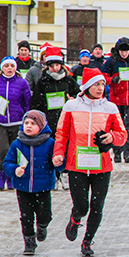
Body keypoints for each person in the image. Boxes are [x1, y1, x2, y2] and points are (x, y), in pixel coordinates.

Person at [53, 67, 128, 257]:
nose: (100, 88)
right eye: (96, 84)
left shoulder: (110, 108)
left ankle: (87, 241)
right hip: (76, 164)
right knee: (82, 205)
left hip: (101, 165)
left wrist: (111, 137)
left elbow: (122, 135)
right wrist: (58, 153)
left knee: (97, 205)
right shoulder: (71, 106)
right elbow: (61, 133)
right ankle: (76, 218)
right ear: (86, 86)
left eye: (102, 84)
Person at [3, 110, 63, 255]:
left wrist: (58, 162)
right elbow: (7, 163)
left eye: (33, 124)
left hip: (43, 187)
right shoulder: (17, 144)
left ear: (41, 126)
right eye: (26, 123)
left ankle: (42, 225)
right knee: (26, 216)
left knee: (45, 214)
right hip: (23, 187)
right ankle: (29, 243)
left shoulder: (49, 143)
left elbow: (59, 164)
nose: (28, 126)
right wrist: (15, 170)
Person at [28, 46, 79, 190]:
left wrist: (72, 99)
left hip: (67, 119)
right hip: (49, 120)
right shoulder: (43, 82)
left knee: (68, 146)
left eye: (57, 65)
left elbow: (79, 95)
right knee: (53, 148)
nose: (55, 68)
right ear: (48, 67)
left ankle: (66, 173)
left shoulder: (68, 80)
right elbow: (36, 103)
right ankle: (55, 176)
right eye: (52, 65)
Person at [101, 37, 129, 163]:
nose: (124, 53)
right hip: (116, 99)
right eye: (122, 51)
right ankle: (117, 152)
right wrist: (112, 80)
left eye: (126, 51)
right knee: (116, 126)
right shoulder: (111, 61)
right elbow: (103, 76)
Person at [0, 56, 32, 191]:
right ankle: (2, 177)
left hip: (17, 121)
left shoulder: (21, 83)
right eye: (6, 66)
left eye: (12, 66)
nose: (9, 68)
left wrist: (26, 117)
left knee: (15, 151)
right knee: (3, 150)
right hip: (1, 123)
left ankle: (12, 177)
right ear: (2, 68)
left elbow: (27, 102)